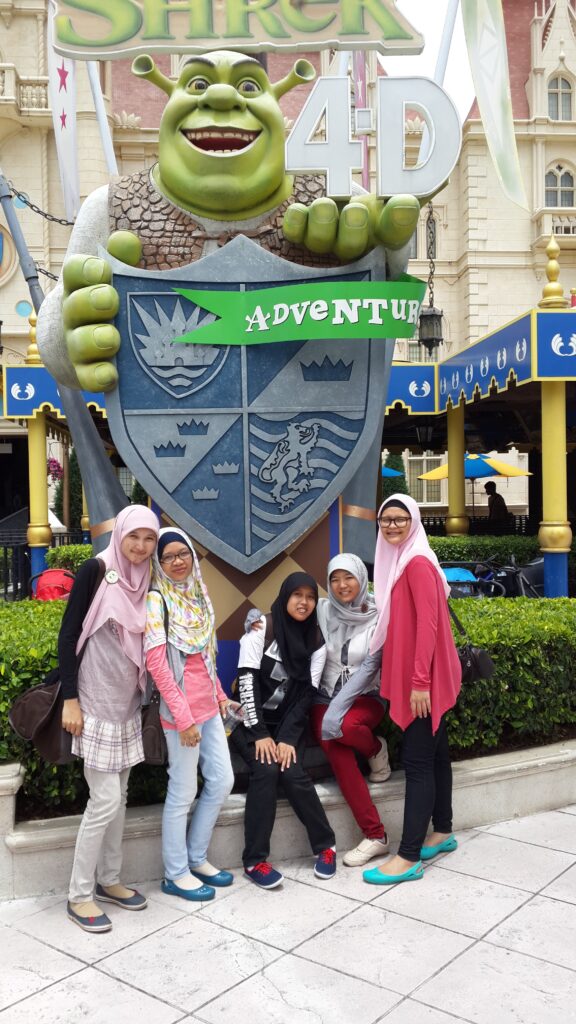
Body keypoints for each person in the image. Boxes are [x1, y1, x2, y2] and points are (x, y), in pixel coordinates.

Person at [60, 505, 159, 933]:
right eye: (133, 536)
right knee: (103, 800)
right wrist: (71, 699)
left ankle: (109, 879)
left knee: (119, 797)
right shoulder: (96, 570)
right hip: (94, 702)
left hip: (127, 704)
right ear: (119, 534)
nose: (140, 546)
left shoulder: (147, 578)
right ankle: (78, 895)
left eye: (149, 538)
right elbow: (68, 634)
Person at [362, 495, 462, 886]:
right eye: (385, 519)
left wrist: (420, 683)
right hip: (425, 676)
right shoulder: (404, 560)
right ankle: (443, 830)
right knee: (436, 755)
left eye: (399, 518)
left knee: (418, 763)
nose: (391, 525)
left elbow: (429, 626)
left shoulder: (417, 562)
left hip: (424, 681)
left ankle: (408, 857)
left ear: (414, 521)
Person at [144, 528, 235, 902]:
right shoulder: (156, 600)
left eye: (183, 553)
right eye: (168, 557)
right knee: (182, 792)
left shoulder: (197, 594)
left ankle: (196, 858)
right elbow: (157, 664)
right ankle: (175, 873)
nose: (177, 561)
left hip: (208, 708)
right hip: (179, 714)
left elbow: (205, 657)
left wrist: (221, 696)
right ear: (158, 563)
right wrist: (183, 719)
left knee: (222, 780)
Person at [231, 572, 337, 888]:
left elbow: (306, 694)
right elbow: (247, 684)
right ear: (285, 596)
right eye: (297, 595)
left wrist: (288, 738)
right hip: (248, 721)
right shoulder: (261, 630)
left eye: (310, 597)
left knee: (291, 772)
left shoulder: (316, 642)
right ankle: (254, 861)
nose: (304, 602)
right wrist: (260, 734)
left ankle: (326, 846)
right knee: (265, 770)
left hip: (287, 725)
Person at [310, 554, 391, 867]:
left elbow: (370, 668)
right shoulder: (322, 609)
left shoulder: (379, 615)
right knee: (337, 749)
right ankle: (376, 835)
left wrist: (337, 711)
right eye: (335, 579)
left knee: (341, 728)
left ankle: (374, 749)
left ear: (361, 578)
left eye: (349, 578)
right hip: (324, 696)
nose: (342, 585)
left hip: (366, 696)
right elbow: (285, 611)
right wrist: (255, 621)